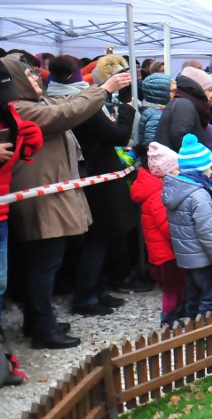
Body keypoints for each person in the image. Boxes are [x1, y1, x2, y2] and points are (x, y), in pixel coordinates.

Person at [2, 52, 130, 349]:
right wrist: (104, 89)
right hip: (40, 197)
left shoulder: (32, 104)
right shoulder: (21, 109)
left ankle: (37, 321)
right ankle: (43, 330)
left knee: (46, 262)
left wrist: (96, 89)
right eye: (30, 75)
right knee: (44, 265)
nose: (36, 78)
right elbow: (65, 114)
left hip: (47, 194)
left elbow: (65, 104)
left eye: (37, 74)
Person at [46, 56, 138, 317]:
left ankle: (97, 289)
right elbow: (117, 136)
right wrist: (127, 109)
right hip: (98, 174)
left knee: (101, 237)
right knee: (99, 238)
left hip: (90, 173)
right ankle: (86, 295)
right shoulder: (80, 103)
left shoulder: (58, 99)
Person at [0, 59, 43, 376]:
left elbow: (18, 142)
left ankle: (2, 359)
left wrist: (27, 139)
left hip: (2, 211)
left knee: (0, 285)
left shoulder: (9, 108)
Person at [162, 133, 212, 319]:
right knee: (210, 298)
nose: (211, 171)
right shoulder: (199, 195)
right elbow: (207, 231)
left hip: (186, 257)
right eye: (208, 167)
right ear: (201, 170)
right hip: (203, 258)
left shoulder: (176, 189)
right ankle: (206, 334)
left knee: (193, 296)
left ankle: (192, 329)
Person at [131, 142, 186, 326]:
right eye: (177, 169)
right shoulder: (159, 197)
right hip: (166, 256)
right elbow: (167, 227)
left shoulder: (159, 191)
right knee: (171, 288)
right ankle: (168, 317)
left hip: (164, 253)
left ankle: (176, 312)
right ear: (166, 173)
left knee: (177, 285)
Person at [154, 67, 212, 152]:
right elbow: (180, 137)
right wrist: (195, 157)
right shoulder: (184, 104)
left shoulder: (185, 102)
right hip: (180, 162)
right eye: (209, 90)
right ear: (199, 88)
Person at [137, 72, 173, 145]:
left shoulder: (156, 110)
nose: (176, 93)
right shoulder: (157, 116)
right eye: (172, 91)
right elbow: (152, 145)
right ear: (161, 93)